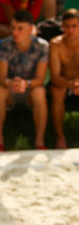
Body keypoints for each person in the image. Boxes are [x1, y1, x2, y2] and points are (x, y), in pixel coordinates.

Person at [0, 10, 50, 151]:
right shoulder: (5, 45)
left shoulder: (42, 46)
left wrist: (26, 84)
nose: (15, 32)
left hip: (30, 89)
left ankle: (40, 141)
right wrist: (11, 83)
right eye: (12, 28)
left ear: (30, 29)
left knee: (39, 92)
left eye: (20, 28)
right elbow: (1, 77)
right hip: (10, 89)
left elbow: (40, 79)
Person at [49, 9, 79, 149]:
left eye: (74, 26)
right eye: (67, 26)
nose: (70, 30)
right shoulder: (56, 44)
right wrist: (71, 85)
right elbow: (55, 76)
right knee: (57, 91)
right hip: (64, 83)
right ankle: (59, 136)